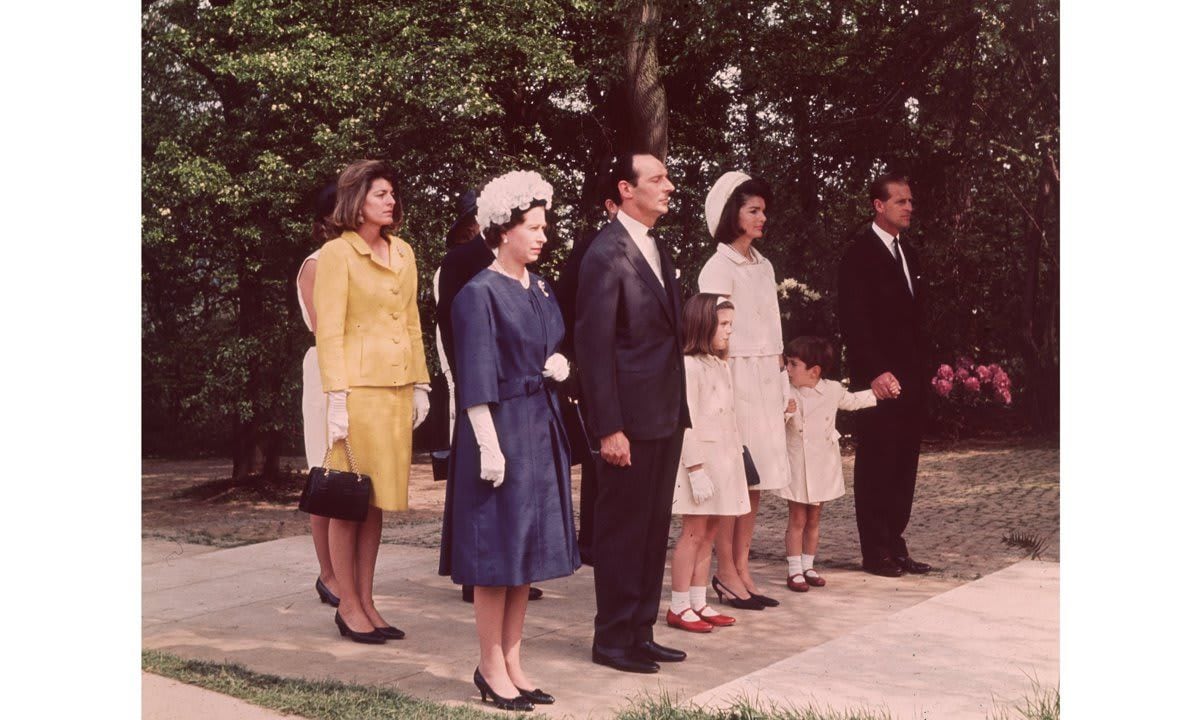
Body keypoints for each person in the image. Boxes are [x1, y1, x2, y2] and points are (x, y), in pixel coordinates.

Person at [438, 170, 579, 711]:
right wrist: (489, 447)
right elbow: (474, 378)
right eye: (533, 227)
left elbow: (552, 339)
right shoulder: (478, 294)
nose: (543, 236)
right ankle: (489, 666)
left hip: (539, 426)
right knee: (496, 556)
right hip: (496, 432)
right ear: (503, 230)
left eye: (545, 227)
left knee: (526, 553)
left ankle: (514, 663)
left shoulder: (538, 285)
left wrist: (561, 361)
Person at [576, 152, 690, 674]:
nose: (669, 186)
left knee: (651, 528)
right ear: (626, 188)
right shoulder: (605, 253)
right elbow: (594, 347)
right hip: (628, 422)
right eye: (658, 178)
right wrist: (609, 427)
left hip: (664, 414)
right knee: (623, 530)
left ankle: (641, 631)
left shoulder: (657, 247)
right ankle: (613, 640)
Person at [314, 159, 431, 644]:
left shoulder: (402, 252)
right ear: (356, 200)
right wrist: (336, 397)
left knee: (376, 500)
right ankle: (348, 605)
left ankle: (367, 599)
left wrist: (422, 383)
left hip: (397, 390)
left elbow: (411, 321)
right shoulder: (336, 254)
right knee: (349, 501)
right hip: (357, 392)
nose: (390, 200)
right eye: (380, 193)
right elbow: (331, 332)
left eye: (391, 194)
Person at [435, 190, 546, 604]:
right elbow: (450, 322)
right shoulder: (463, 266)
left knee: (516, 505)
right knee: (485, 493)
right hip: (481, 383)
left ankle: (511, 569)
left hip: (519, 395)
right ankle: (479, 573)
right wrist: (459, 379)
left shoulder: (527, 276)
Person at [697, 172, 791, 610]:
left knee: (755, 481)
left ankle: (743, 566)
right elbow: (713, 332)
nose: (762, 218)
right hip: (733, 380)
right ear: (731, 214)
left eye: (763, 211)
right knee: (735, 477)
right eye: (753, 210)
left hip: (766, 381)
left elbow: (774, 330)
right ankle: (725, 572)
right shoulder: (718, 266)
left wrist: (785, 384)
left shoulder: (764, 264)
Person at [837, 172, 932, 578]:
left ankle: (895, 543)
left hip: (911, 379)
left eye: (910, 201)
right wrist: (874, 372)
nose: (909, 207)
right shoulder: (858, 255)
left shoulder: (908, 251)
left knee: (904, 463)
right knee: (877, 462)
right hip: (877, 381)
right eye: (900, 201)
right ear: (878, 205)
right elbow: (854, 320)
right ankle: (875, 551)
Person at [666, 294, 747, 634]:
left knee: (710, 532)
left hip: (724, 461)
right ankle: (679, 603)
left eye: (731, 324)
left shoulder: (720, 364)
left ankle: (698, 600)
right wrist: (696, 469)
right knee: (694, 532)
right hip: (699, 464)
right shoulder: (689, 366)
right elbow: (687, 422)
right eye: (723, 324)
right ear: (703, 324)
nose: (729, 331)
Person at [553, 170, 621, 567]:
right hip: (592, 369)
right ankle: (592, 540)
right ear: (611, 206)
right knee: (599, 458)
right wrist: (574, 365)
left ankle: (609, 537)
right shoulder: (590, 248)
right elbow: (567, 306)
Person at [778, 336, 882, 591]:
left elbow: (854, 401)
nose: (787, 370)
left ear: (814, 371)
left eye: (793, 365)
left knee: (814, 518)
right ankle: (794, 570)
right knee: (797, 519)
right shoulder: (786, 392)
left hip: (822, 464)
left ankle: (808, 564)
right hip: (798, 465)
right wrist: (786, 412)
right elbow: (774, 425)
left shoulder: (832, 390)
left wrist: (878, 392)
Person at [297, 181, 341, 608]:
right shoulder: (316, 264)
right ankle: (328, 574)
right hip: (327, 369)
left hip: (354, 371)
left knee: (349, 472)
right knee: (324, 470)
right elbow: (323, 325)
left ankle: (343, 572)